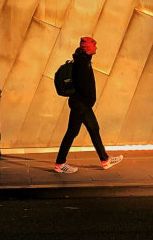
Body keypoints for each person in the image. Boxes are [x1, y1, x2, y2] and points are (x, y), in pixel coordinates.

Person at [53, 36, 123, 173]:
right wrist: (88, 100)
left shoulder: (84, 60)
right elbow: (83, 86)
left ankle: (105, 160)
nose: (96, 47)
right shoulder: (82, 63)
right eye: (94, 45)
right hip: (80, 105)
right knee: (73, 133)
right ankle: (59, 164)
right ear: (88, 48)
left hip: (82, 104)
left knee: (92, 129)